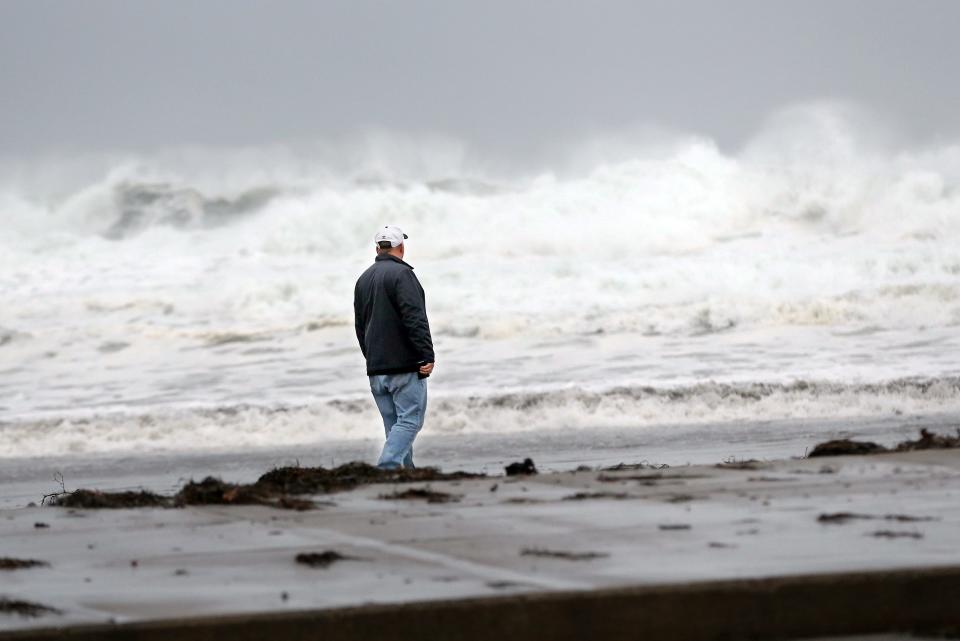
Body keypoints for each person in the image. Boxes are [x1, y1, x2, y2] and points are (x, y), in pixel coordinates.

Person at [353, 225, 435, 469]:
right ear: (401, 247)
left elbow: (360, 326)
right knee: (410, 422)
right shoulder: (403, 275)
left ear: (378, 248)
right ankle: (387, 468)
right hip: (404, 365)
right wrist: (426, 355)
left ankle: (404, 474)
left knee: (395, 425)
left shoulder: (363, 279)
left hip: (377, 367)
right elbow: (415, 317)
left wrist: (371, 358)